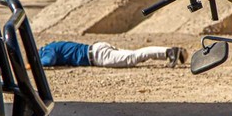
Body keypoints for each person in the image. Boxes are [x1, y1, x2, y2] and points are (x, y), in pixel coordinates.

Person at [36, 41, 188, 68]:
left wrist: (32, 64)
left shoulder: (47, 50)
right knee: (133, 54)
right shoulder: (53, 45)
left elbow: (48, 61)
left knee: (133, 57)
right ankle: (173, 53)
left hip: (96, 56)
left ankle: (169, 52)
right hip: (97, 48)